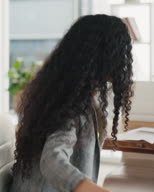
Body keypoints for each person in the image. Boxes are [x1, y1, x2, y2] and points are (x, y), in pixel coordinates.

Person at [10, 15, 134, 192]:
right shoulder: (73, 108)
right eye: (118, 54)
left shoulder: (62, 94)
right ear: (102, 57)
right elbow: (52, 160)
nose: (121, 63)